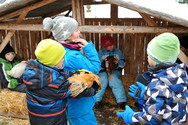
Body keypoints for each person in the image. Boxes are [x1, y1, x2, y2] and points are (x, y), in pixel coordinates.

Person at [116, 32, 188, 124]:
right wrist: (147, 95)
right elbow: (170, 99)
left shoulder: (157, 86)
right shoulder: (181, 76)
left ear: (156, 60)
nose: (147, 57)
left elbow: (151, 119)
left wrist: (131, 116)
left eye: (149, 55)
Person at [23, 39, 98, 125]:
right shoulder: (55, 85)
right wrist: (92, 90)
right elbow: (74, 91)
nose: (63, 60)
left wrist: (73, 74)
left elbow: (58, 74)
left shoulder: (35, 71)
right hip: (53, 121)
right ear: (53, 61)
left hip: (36, 119)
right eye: (61, 58)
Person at [43, 16, 101, 125]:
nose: (79, 31)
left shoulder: (60, 50)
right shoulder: (73, 56)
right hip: (80, 104)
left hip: (69, 102)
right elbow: (94, 69)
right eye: (76, 30)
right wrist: (88, 48)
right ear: (68, 35)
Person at [95, 35, 127, 109]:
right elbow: (96, 63)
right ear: (105, 46)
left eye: (112, 45)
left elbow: (122, 60)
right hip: (103, 71)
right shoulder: (101, 53)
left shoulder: (118, 52)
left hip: (114, 70)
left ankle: (121, 101)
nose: (111, 47)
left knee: (114, 79)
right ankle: (96, 100)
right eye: (109, 46)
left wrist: (119, 67)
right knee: (102, 80)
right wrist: (102, 66)